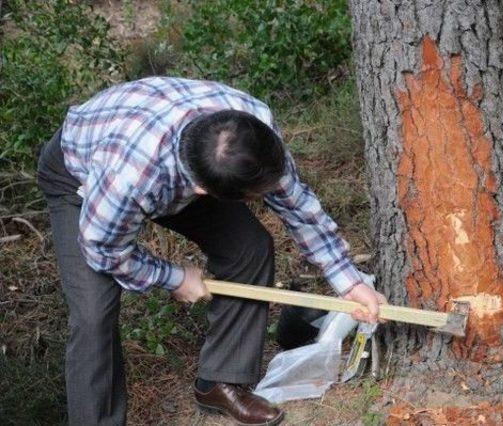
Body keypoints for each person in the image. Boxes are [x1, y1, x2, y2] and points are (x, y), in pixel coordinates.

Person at [36, 76, 387, 426]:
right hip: (79, 175)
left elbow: (297, 206)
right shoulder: (128, 179)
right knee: (93, 313)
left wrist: (350, 282)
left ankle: (221, 380)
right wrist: (172, 277)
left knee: (249, 248)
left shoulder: (252, 125)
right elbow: (103, 249)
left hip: (164, 155)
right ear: (203, 191)